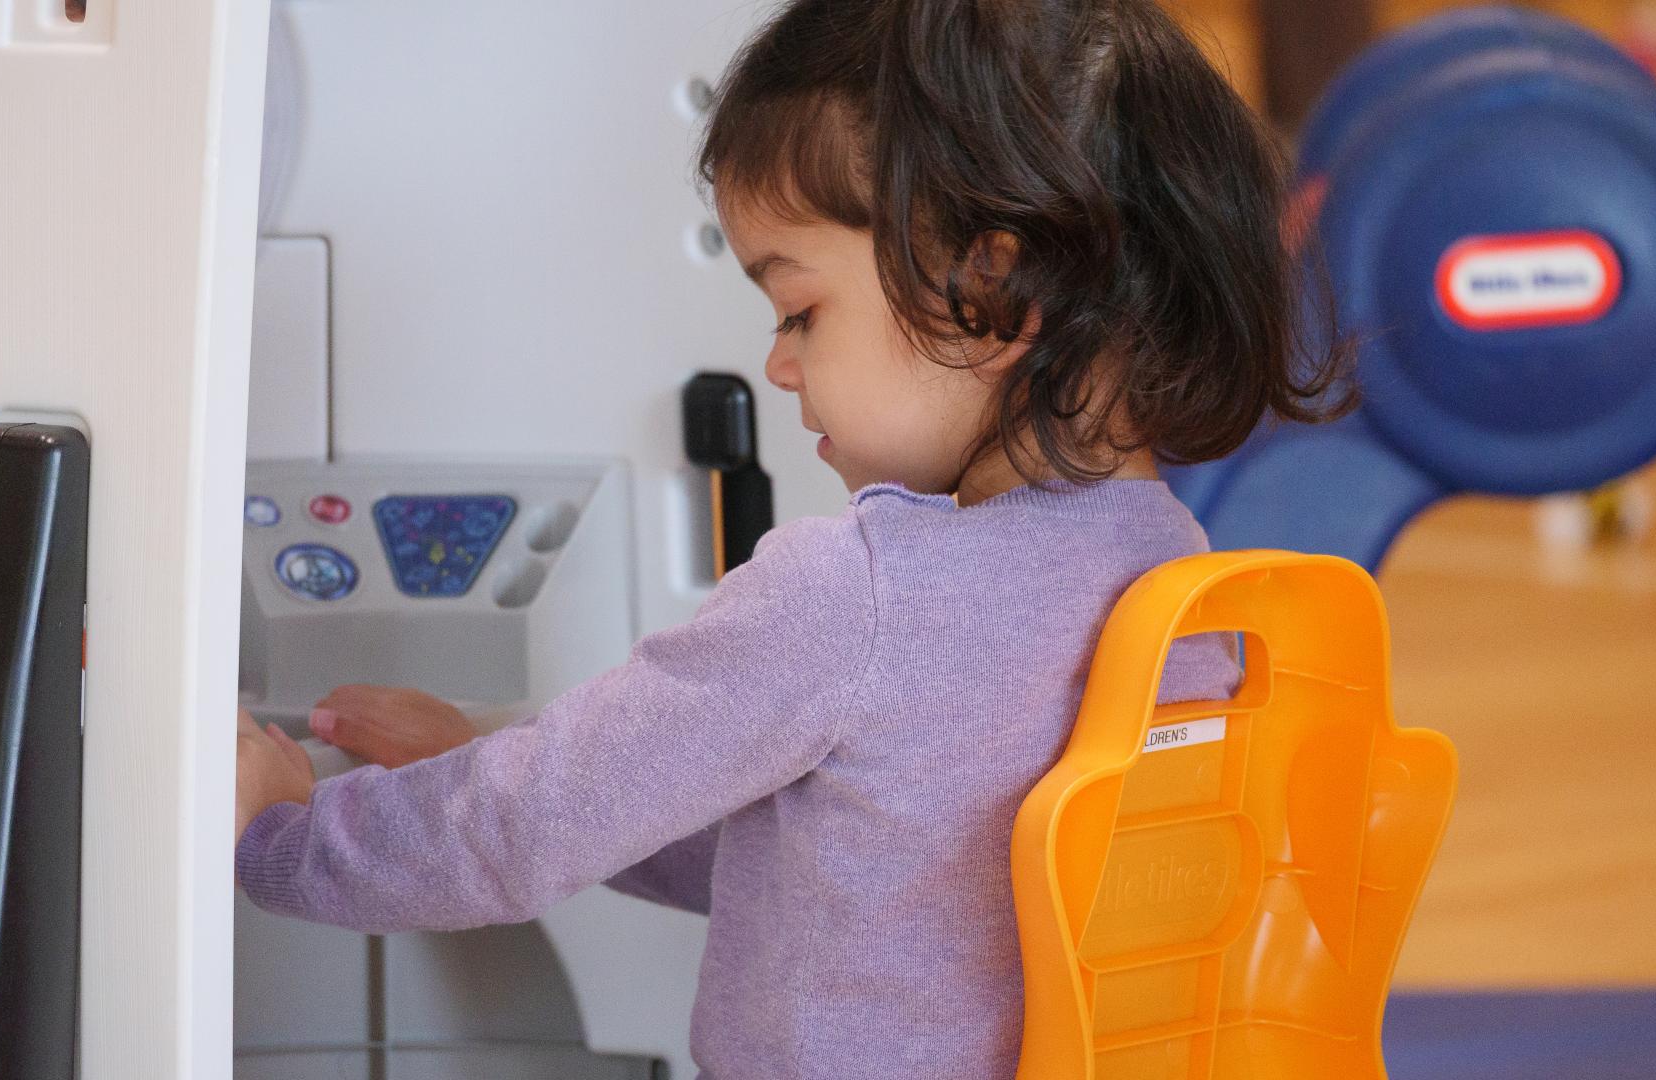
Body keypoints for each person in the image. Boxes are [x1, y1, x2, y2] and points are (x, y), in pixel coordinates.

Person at [235, 1, 1348, 1076]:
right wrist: (488, 757)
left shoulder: (854, 592)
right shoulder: (1183, 579)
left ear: (993, 293)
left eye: (799, 309)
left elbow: (520, 831)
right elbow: (856, 864)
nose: (778, 362)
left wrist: (280, 832)